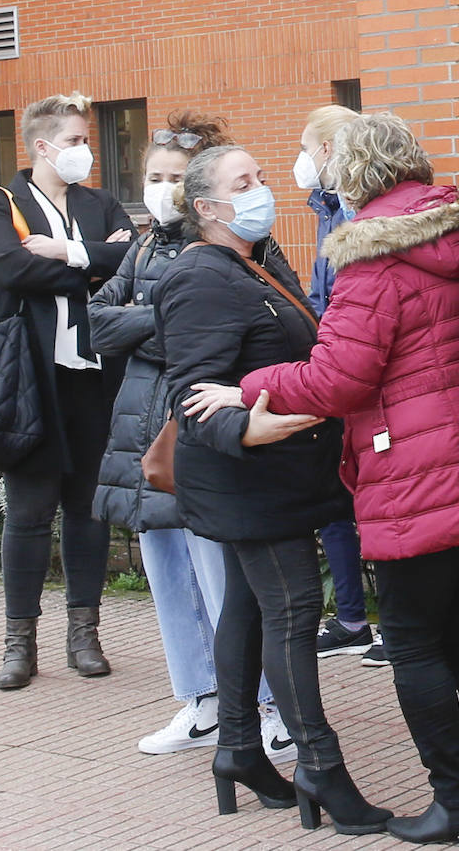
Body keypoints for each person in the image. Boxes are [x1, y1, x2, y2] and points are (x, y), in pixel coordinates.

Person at [187, 112, 459, 847]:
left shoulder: (373, 259)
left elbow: (337, 377)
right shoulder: (456, 233)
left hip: (414, 479)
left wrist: (247, 386)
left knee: (414, 644)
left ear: (354, 176)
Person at [154, 145, 389, 834]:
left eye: (259, 177)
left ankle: (237, 749)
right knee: (289, 612)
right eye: (245, 183)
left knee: (250, 613)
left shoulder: (250, 260)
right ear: (207, 208)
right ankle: (320, 764)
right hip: (249, 483)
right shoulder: (202, 276)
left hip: (275, 479)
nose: (262, 191)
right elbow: (192, 390)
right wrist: (250, 431)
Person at [88, 111, 293, 760]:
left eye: (174, 177)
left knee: (226, 579)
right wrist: (174, 317)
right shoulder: (146, 244)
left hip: (204, 426)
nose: (161, 188)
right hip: (142, 432)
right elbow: (95, 323)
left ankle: (266, 706)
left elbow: (285, 318)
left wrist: (152, 321)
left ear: (201, 187)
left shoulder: (247, 243)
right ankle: (200, 700)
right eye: (152, 176)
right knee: (169, 573)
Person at [0, 92, 134, 691]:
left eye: (84, 139)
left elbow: (129, 264)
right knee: (28, 510)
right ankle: (20, 643)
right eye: (73, 141)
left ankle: (84, 635)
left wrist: (68, 252)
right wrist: (90, 263)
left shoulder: (102, 203)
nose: (84, 150)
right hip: (31, 380)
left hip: (94, 377)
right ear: (41, 146)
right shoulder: (1, 203)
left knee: (87, 508)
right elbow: (9, 270)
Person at [291, 103, 382, 665]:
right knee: (336, 504)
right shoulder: (328, 209)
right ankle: (352, 619)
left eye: (305, 148)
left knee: (376, 497)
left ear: (328, 150)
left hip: (356, 371)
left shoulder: (356, 212)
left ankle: (395, 623)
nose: (300, 162)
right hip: (331, 361)